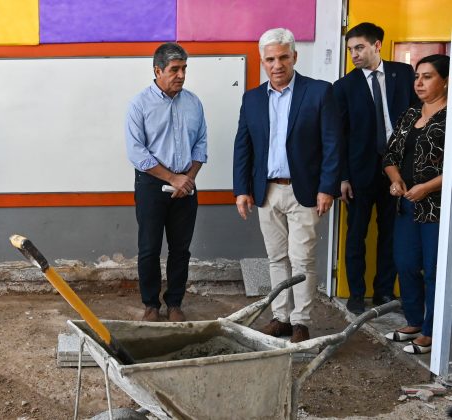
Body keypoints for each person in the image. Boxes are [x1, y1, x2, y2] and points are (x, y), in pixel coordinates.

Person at [232, 28, 341, 343]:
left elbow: (332, 144)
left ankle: (301, 321)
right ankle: (280, 317)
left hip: (304, 190)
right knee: (276, 257)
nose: (276, 64)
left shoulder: (319, 92)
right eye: (270, 59)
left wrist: (327, 187)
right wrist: (242, 190)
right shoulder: (252, 99)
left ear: (295, 56)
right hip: (267, 191)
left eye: (282, 57)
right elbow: (244, 147)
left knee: (302, 257)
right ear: (262, 62)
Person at [333, 22, 417, 315]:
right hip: (359, 173)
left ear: (377, 45)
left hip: (399, 172)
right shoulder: (344, 86)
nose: (354, 55)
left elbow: (418, 118)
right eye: (350, 50)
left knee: (391, 234)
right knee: (356, 235)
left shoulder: (404, 74)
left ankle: (383, 292)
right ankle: (356, 294)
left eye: (359, 48)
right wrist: (342, 176)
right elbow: (339, 135)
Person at [125, 42, 208, 322]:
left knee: (180, 249)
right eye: (175, 69)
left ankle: (174, 303)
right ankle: (151, 305)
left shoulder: (194, 102)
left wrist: (188, 179)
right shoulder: (139, 104)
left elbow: (201, 145)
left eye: (184, 68)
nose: (181, 75)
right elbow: (136, 151)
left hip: (187, 185)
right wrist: (173, 178)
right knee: (149, 248)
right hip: (151, 185)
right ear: (157, 70)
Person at [383, 54, 448, 354]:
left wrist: (427, 188)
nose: (419, 83)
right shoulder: (410, 114)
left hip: (437, 209)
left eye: (428, 76)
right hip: (407, 204)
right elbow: (391, 156)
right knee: (406, 264)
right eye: (417, 76)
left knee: (434, 270)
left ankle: (433, 330)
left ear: (445, 81)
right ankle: (414, 321)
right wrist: (396, 180)